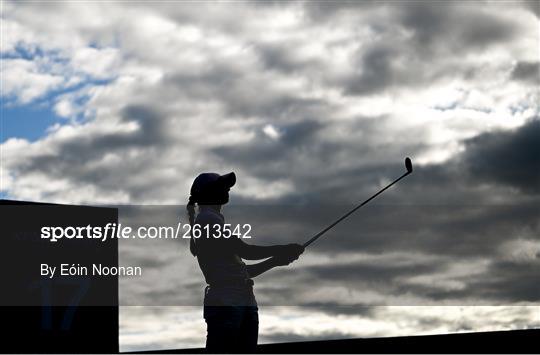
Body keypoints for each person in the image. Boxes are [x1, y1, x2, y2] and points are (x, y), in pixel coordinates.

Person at [187, 172, 304, 353]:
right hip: (226, 301)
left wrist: (275, 261)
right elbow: (245, 251)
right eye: (221, 186)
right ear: (208, 193)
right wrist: (283, 249)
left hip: (241, 299)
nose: (227, 189)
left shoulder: (211, 219)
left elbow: (243, 271)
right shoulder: (207, 219)